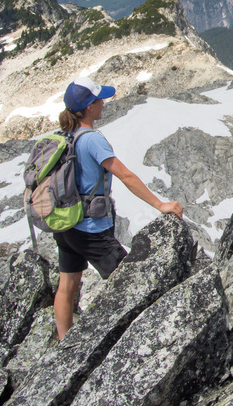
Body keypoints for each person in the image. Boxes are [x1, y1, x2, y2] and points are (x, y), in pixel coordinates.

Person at [53, 76, 183, 340]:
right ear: (90, 107)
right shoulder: (92, 140)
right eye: (100, 98)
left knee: (67, 284)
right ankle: (143, 340)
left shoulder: (66, 136)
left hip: (67, 226)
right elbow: (125, 176)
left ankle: (64, 343)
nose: (104, 102)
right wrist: (160, 204)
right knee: (128, 284)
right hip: (92, 230)